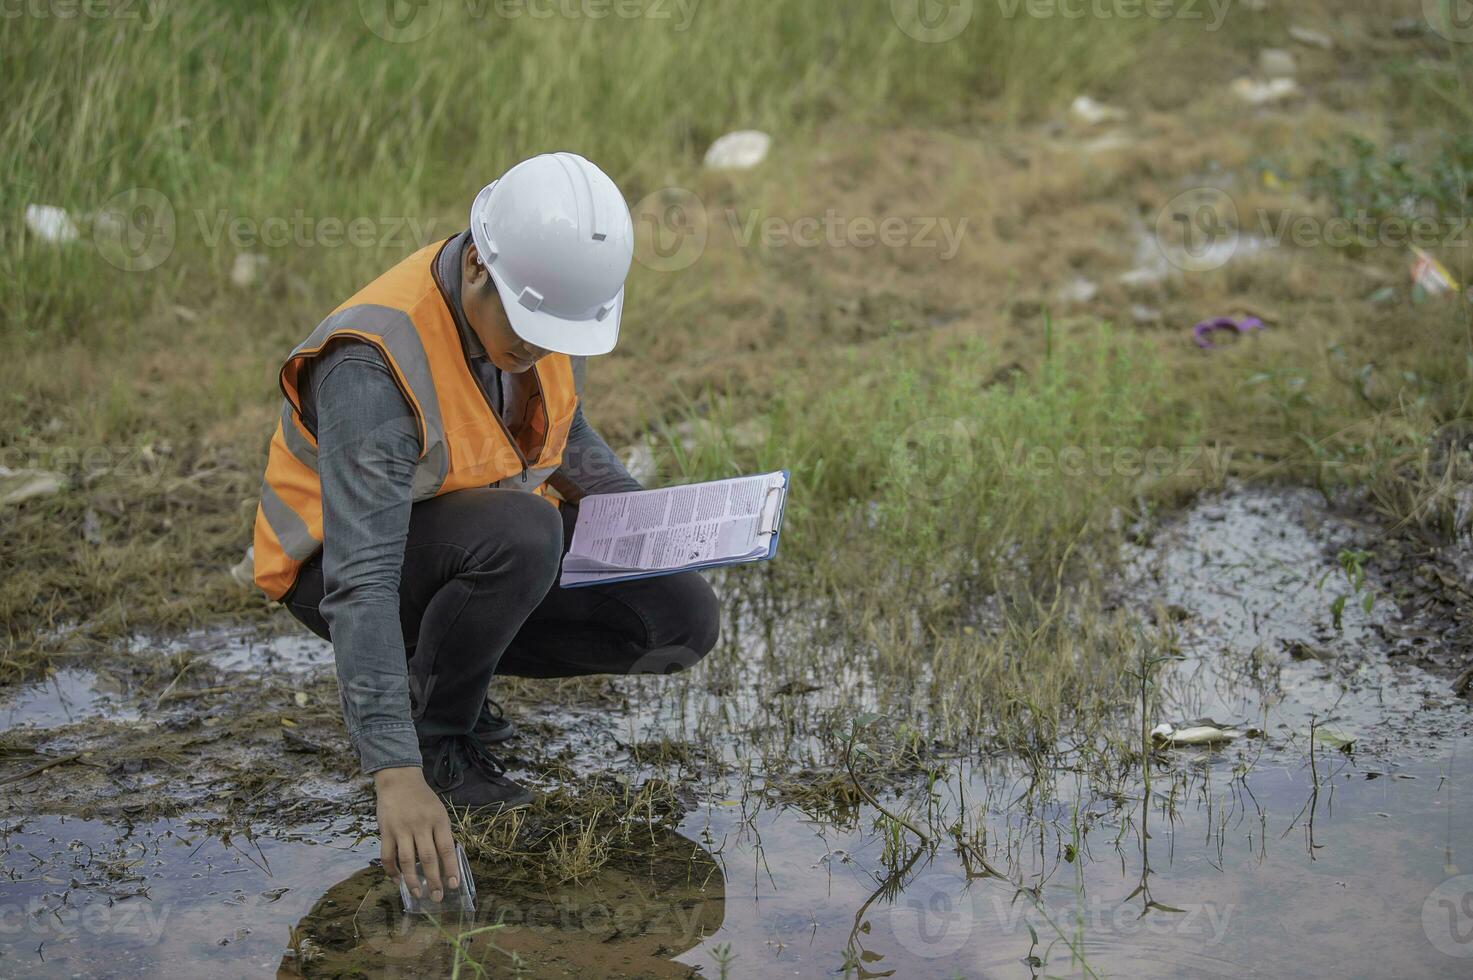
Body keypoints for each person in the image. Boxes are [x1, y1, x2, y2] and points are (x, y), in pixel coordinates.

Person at [250, 152, 720, 904]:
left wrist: (657, 530)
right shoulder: (371, 363)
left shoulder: (544, 308)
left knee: (678, 614)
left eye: (555, 333)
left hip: (473, 540)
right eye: (529, 328)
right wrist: (395, 776)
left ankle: (443, 678)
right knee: (523, 533)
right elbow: (361, 581)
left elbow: (564, 434)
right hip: (337, 570)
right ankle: (437, 741)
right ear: (476, 265)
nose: (540, 347)